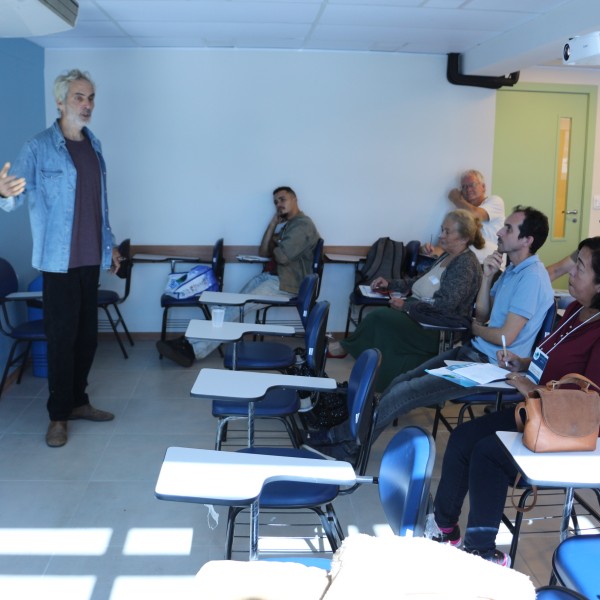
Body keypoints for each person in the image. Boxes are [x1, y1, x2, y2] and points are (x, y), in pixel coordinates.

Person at [310, 207, 554, 455]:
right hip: (475, 354)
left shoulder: (531, 278)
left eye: (508, 229)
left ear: (527, 240)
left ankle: (347, 443)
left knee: (404, 392)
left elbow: (505, 336)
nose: (499, 231)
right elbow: (482, 314)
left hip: (493, 368)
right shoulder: (512, 270)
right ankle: (348, 436)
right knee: (399, 382)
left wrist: (475, 329)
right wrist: (488, 278)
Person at [431, 236, 600, 566]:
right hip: (539, 411)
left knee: (488, 454)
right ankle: (445, 529)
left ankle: (481, 552)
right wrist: (522, 365)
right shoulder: (577, 310)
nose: (572, 273)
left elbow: (591, 401)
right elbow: (551, 359)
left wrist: (532, 391)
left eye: (581, 267)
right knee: (464, 437)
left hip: (569, 430)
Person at [0, 69, 120, 448]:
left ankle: (79, 402)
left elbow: (100, 207)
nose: (87, 105)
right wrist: (4, 192)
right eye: (79, 97)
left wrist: (111, 245)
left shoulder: (94, 146)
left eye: (90, 98)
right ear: (60, 101)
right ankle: (57, 415)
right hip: (58, 262)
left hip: (90, 260)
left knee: (87, 340)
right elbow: (14, 197)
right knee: (61, 339)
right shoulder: (38, 147)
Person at [157, 186, 320, 366]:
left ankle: (192, 348)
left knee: (237, 309)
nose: (278, 205)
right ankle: (190, 341)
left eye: (282, 199)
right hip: (272, 277)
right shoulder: (289, 226)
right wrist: (273, 223)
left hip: (286, 285)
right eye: (275, 202)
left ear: (294, 199)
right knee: (231, 307)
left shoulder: (303, 225)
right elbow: (264, 251)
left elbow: (281, 257)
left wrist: (277, 242)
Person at [328, 209, 483, 392]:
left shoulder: (465, 265)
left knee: (380, 318)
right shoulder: (446, 256)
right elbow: (418, 281)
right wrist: (390, 283)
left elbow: (445, 305)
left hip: (437, 329)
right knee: (382, 321)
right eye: (442, 229)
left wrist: (407, 306)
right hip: (419, 315)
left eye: (447, 232)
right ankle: (371, 384)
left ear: (464, 238)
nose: (441, 235)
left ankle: (361, 368)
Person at [423, 170, 505, 263]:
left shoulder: (495, 201)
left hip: (490, 264)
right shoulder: (456, 213)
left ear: (483, 187)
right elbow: (443, 247)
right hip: (461, 263)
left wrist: (456, 198)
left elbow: (475, 215)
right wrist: (429, 251)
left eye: (472, 185)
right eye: (464, 187)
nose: (468, 189)